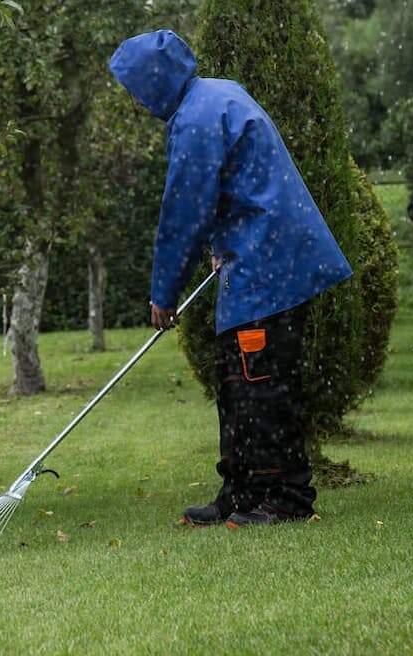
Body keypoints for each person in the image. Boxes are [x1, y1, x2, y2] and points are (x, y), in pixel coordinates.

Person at [108, 29, 353, 528]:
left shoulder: (198, 119)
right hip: (259, 257)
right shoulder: (217, 94)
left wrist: (163, 293)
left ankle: (285, 498)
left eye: (133, 89)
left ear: (153, 82)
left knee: (260, 382)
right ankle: (240, 492)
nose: (134, 101)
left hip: (270, 264)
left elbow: (185, 213)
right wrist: (226, 243)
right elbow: (240, 184)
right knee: (236, 379)